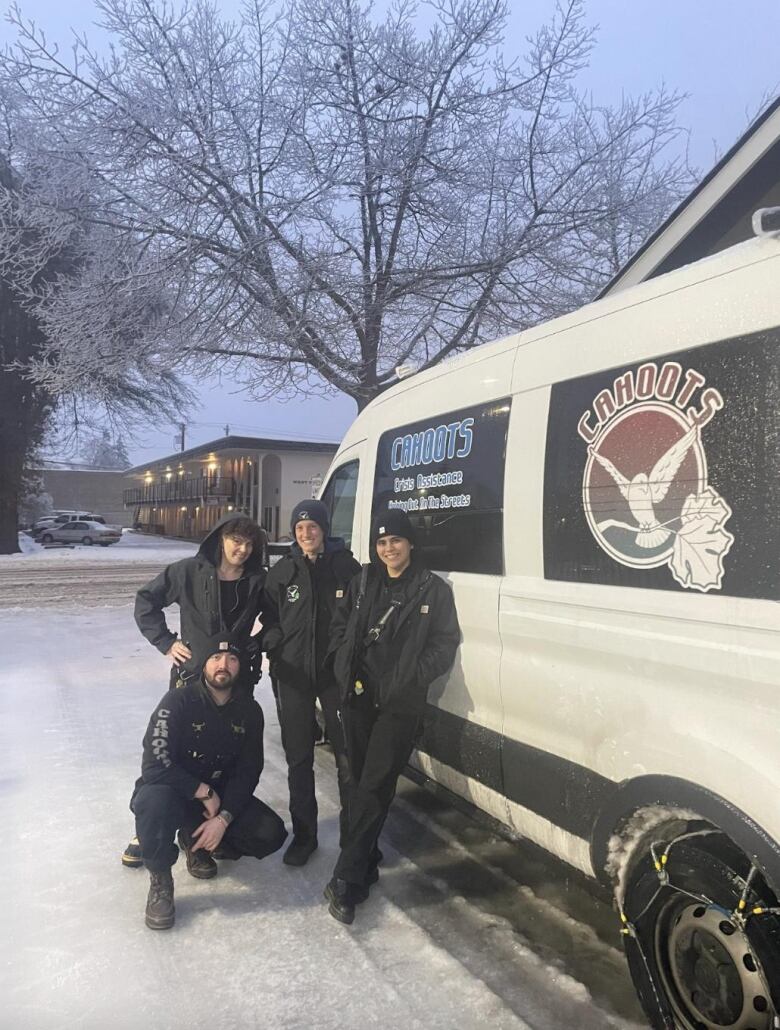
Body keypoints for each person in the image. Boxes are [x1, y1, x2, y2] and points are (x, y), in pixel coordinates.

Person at [323, 509, 460, 924]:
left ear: (410, 543)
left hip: (398, 705)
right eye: (382, 543)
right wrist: (340, 666)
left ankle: (345, 879)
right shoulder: (363, 582)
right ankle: (363, 858)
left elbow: (444, 642)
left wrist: (411, 681)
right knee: (358, 780)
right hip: (357, 697)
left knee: (376, 783)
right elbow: (340, 627)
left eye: (395, 541)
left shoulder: (432, 589)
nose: (389, 549)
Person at [122, 514, 268, 868]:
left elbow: (281, 621)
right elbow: (146, 601)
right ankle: (148, 827)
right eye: (235, 540)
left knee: (225, 757)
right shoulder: (189, 571)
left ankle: (199, 831)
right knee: (171, 751)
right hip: (190, 680)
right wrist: (166, 642)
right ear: (221, 539)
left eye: (249, 544)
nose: (242, 549)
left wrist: (256, 644)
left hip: (233, 681)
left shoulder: (258, 581)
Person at [130, 634, 287, 930]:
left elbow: (248, 771)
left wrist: (225, 819)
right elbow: (155, 763)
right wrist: (201, 791)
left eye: (232, 659)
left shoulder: (249, 711)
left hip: (216, 802)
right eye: (215, 658)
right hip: (175, 792)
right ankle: (161, 880)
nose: (223, 665)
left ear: (240, 667)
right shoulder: (178, 701)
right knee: (152, 803)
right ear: (203, 665)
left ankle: (197, 841)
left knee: (270, 833)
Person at [262, 500, 361, 866]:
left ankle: (355, 834)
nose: (306, 534)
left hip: (336, 676)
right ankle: (305, 835)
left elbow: (360, 617)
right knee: (299, 756)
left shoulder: (346, 568)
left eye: (313, 527)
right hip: (292, 674)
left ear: (324, 529)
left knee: (348, 756)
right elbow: (269, 615)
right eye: (300, 528)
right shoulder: (283, 571)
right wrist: (272, 639)